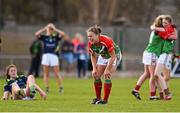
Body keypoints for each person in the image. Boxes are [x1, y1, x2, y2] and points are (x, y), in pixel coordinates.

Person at [87, 25, 122, 104]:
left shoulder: (106, 41)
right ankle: (98, 98)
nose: (89, 38)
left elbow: (113, 57)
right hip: (103, 56)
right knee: (96, 75)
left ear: (97, 35)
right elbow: (92, 56)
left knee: (107, 75)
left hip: (114, 56)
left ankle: (105, 100)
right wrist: (94, 69)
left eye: (91, 36)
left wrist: (107, 69)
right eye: (88, 36)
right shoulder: (90, 43)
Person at [35, 23, 65, 93]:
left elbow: (63, 34)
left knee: (56, 73)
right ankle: (47, 87)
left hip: (54, 55)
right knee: (46, 73)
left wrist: (55, 29)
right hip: (46, 55)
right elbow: (36, 34)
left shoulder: (56, 37)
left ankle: (60, 87)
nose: (50, 30)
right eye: (49, 29)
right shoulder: (44, 37)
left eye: (51, 29)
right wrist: (44, 29)